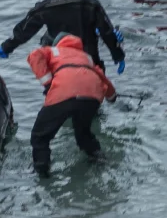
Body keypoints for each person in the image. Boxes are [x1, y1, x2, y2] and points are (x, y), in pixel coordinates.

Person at [0, 0, 126, 72]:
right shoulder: (91, 3)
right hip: (89, 62)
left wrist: (7, 47)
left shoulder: (44, 7)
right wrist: (118, 56)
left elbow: (24, 31)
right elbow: (107, 32)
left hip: (59, 64)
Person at [27, 32, 117, 176]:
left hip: (64, 91)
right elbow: (103, 79)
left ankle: (42, 171)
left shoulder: (52, 50)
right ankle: (100, 160)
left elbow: (34, 55)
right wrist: (111, 97)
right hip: (92, 97)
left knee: (40, 136)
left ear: (57, 43)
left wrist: (48, 83)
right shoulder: (86, 57)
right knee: (84, 134)